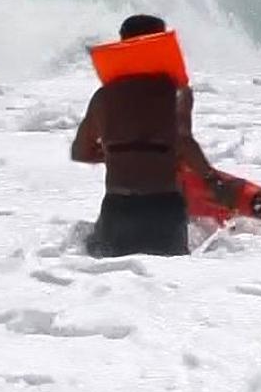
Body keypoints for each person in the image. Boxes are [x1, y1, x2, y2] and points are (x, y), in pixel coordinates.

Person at [71, 15, 216, 256]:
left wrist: (117, 154)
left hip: (118, 211)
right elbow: (184, 143)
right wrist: (212, 180)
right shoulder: (177, 94)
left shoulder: (103, 98)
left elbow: (80, 152)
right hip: (164, 211)